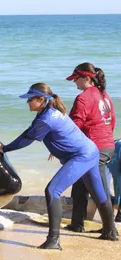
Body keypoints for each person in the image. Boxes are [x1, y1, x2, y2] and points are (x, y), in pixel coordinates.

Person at [0, 83, 118, 250]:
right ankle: (110, 231)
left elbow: (26, 139)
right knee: (98, 192)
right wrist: (4, 146)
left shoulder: (47, 118)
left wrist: (3, 148)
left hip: (82, 156)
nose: (27, 102)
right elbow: (28, 132)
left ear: (41, 99)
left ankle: (53, 240)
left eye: (30, 99)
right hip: (91, 151)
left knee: (52, 190)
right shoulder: (49, 112)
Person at [64, 63, 116, 233]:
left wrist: (62, 145)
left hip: (94, 150)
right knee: (79, 185)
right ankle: (77, 224)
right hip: (106, 145)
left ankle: (110, 230)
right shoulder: (104, 95)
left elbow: (74, 126)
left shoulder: (84, 98)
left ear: (86, 78)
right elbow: (112, 121)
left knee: (98, 189)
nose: (74, 82)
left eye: (76, 79)